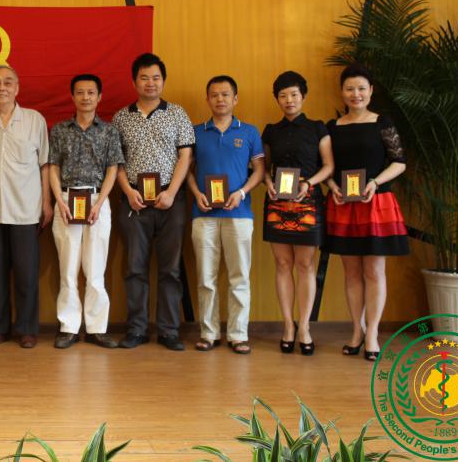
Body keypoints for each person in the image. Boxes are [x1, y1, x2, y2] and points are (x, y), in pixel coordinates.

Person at [112, 53, 195, 351]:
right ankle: (136, 329)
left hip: (171, 198)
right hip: (134, 199)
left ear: (163, 81)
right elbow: (116, 161)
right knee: (135, 267)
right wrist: (127, 191)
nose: (150, 83)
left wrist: (171, 192)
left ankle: (169, 331)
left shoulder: (178, 114)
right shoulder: (121, 117)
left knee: (170, 269)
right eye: (144, 77)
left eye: (156, 77)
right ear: (134, 81)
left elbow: (186, 156)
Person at [324, 64, 407, 361]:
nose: (355, 94)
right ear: (342, 92)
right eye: (350, 89)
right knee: (351, 272)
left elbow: (399, 162)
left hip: (376, 203)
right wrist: (332, 185)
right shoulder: (332, 127)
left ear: (371, 91)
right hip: (343, 205)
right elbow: (327, 167)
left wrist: (375, 182)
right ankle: (356, 331)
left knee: (374, 271)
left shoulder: (382, 122)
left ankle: (372, 333)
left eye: (361, 88)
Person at [0, 65, 52, 349]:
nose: (1, 87)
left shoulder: (34, 120)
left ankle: (27, 329)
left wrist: (47, 203)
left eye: (7, 83)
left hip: (26, 210)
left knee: (26, 274)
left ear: (17, 88)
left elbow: (45, 165)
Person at [185, 75, 265, 355]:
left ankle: (238, 334)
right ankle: (208, 332)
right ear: (207, 99)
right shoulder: (195, 132)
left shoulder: (250, 132)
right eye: (215, 95)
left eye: (225, 94)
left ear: (235, 99)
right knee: (205, 277)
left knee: (239, 276)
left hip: (239, 214)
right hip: (203, 213)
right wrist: (196, 193)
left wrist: (241, 193)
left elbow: (260, 171)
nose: (220, 99)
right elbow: (187, 170)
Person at [48, 74, 124, 349]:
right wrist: (59, 200)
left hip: (97, 201)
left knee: (95, 269)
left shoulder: (109, 131)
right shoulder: (60, 130)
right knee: (68, 268)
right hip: (66, 200)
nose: (85, 97)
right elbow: (53, 167)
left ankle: (96, 328)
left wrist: (100, 202)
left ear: (99, 97)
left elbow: (113, 169)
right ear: (72, 96)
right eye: (80, 92)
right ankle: (68, 327)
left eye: (91, 92)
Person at [261, 71, 333, 356]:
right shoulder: (270, 131)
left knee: (305, 265)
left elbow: (329, 166)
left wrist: (308, 183)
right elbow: (264, 167)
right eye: (282, 95)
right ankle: (287, 326)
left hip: (308, 200)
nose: (288, 100)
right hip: (278, 202)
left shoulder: (317, 128)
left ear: (303, 96)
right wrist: (268, 182)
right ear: (277, 99)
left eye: (293, 94)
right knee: (282, 264)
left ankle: (304, 327)